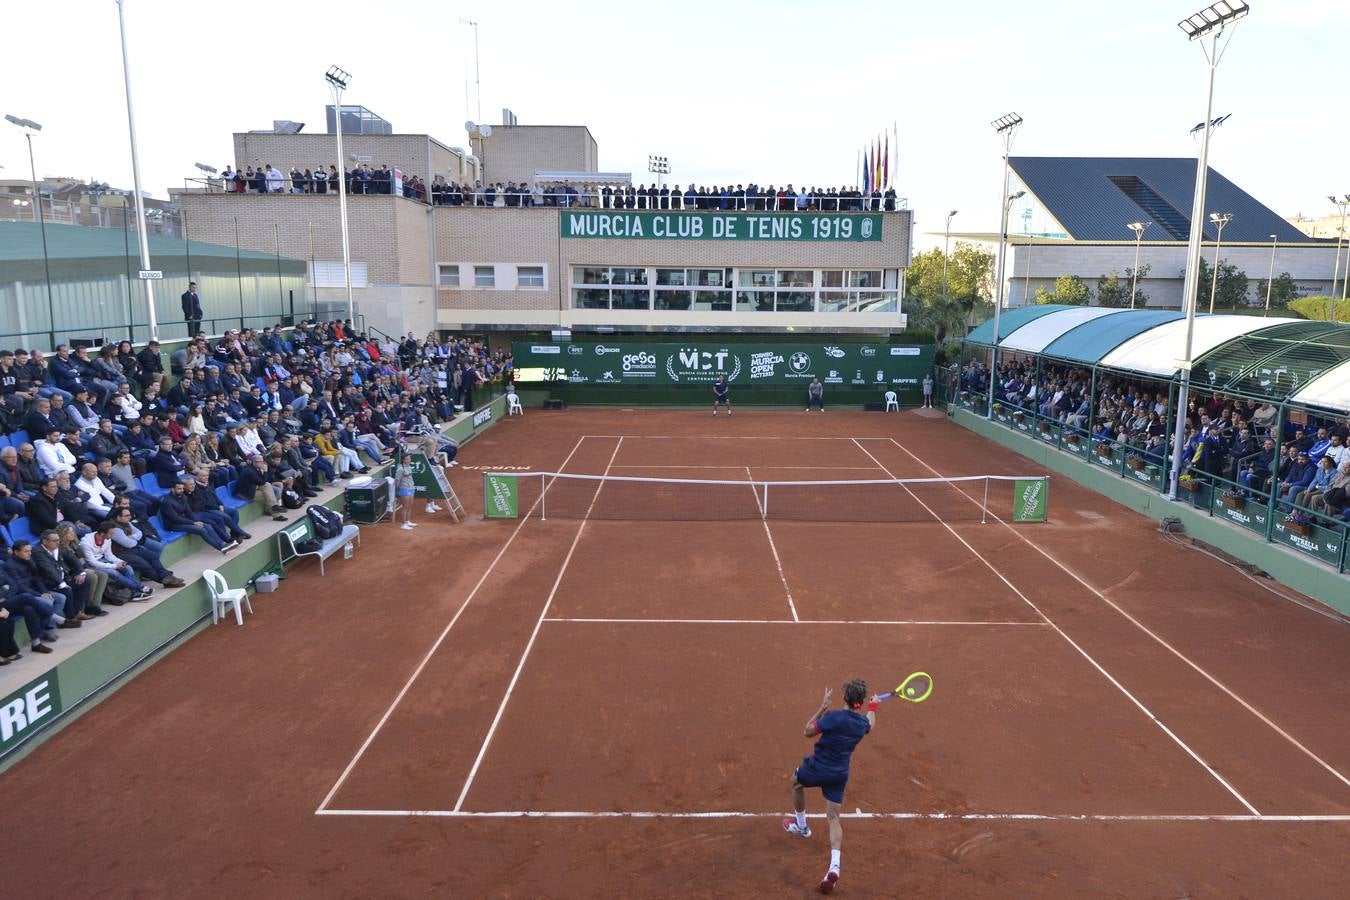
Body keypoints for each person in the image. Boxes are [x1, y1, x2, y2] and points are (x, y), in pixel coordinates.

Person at [782, 679, 877, 895]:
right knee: (833, 817)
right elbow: (871, 723)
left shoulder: (833, 718)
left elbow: (807, 731)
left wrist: (822, 708)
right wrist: (873, 706)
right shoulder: (862, 724)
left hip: (817, 768)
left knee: (795, 782)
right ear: (859, 702)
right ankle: (834, 867)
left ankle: (802, 826)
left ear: (845, 698)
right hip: (839, 774)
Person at [395, 452, 417, 531]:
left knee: (410, 505)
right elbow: (397, 481)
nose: (409, 460)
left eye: (409, 459)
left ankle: (407, 521)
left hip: (411, 488)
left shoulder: (409, 467)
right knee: (405, 506)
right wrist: (397, 491)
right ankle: (403, 524)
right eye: (407, 459)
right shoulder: (400, 469)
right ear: (403, 460)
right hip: (404, 489)